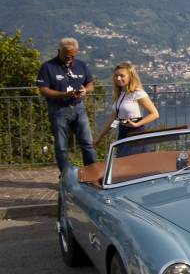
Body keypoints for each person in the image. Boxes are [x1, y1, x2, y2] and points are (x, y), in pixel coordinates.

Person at [35, 38, 97, 178]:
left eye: (72, 56)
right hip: (58, 109)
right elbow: (43, 90)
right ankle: (66, 176)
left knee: (87, 143)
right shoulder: (47, 67)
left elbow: (90, 84)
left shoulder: (81, 65)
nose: (69, 59)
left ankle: (92, 174)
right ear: (59, 51)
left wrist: (85, 90)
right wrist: (63, 95)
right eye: (66, 56)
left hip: (79, 108)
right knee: (61, 146)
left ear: (77, 52)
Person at [94, 62, 158, 156]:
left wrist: (137, 124)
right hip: (122, 133)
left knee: (132, 162)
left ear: (130, 76)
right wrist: (99, 138)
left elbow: (154, 114)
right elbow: (114, 120)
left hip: (136, 134)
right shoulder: (120, 95)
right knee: (123, 162)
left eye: (122, 76)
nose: (118, 78)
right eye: (116, 75)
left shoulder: (138, 93)